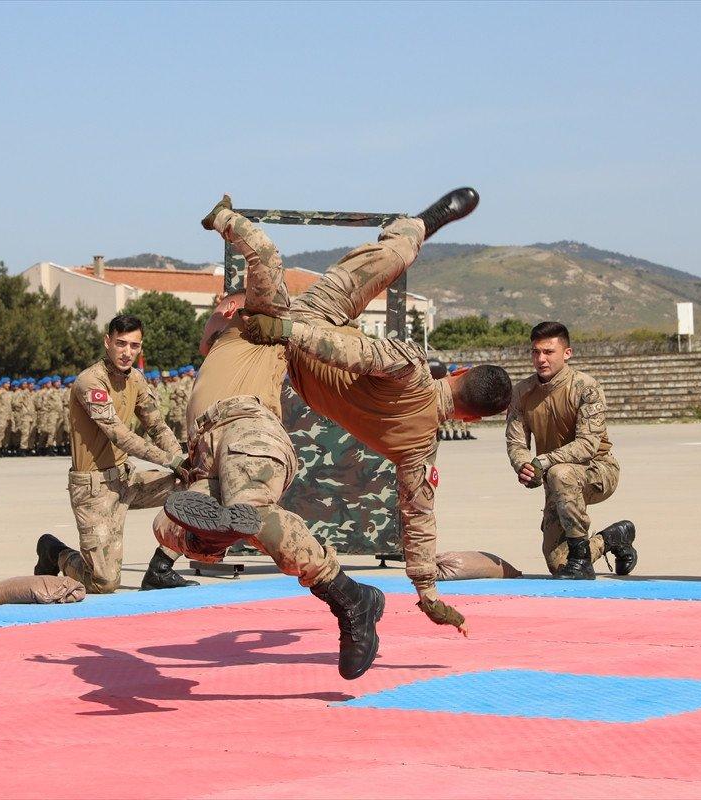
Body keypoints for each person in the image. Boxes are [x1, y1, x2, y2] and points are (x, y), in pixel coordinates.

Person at [174, 189, 509, 636]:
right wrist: (427, 591)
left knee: (379, 264)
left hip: (308, 325)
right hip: (303, 345)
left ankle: (415, 231)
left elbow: (358, 351)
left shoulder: (410, 373)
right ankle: (417, 229)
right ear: (470, 419)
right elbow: (418, 518)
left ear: (461, 371)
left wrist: (289, 329)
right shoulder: (419, 454)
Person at [155, 211, 383, 680]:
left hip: (248, 428)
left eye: (217, 308)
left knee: (251, 511)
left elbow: (264, 256)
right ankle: (223, 532)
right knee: (168, 526)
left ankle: (350, 602)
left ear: (228, 310)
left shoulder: (259, 322)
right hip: (205, 454)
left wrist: (225, 220)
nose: (210, 318)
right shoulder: (217, 353)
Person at [32, 315, 197, 593]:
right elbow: (118, 433)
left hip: (127, 480)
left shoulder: (136, 379)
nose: (127, 352)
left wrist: (184, 462)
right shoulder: (90, 382)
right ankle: (53, 551)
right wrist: (171, 461)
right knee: (103, 583)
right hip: (95, 489)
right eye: (120, 344)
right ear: (107, 342)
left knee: (198, 488)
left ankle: (161, 567)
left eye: (134, 346)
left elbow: (156, 425)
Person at [505, 321, 637, 579]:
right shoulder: (522, 392)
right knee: (558, 564)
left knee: (561, 473)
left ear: (567, 353)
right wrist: (524, 467)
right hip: (556, 478)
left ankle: (581, 559)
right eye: (535, 352)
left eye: (548, 352)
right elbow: (516, 442)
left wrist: (542, 462)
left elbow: (587, 445)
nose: (541, 359)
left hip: (597, 471)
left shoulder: (585, 387)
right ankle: (615, 537)